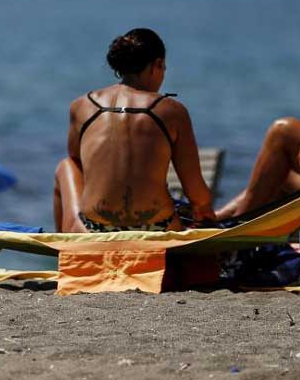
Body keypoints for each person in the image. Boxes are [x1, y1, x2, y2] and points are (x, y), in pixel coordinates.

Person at [54, 28, 214, 232]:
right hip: (156, 229)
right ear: (157, 64)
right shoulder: (172, 111)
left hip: (95, 231)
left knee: (66, 165)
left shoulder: (82, 105)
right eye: (164, 68)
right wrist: (205, 210)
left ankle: (64, 249)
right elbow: (197, 193)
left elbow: (78, 161)